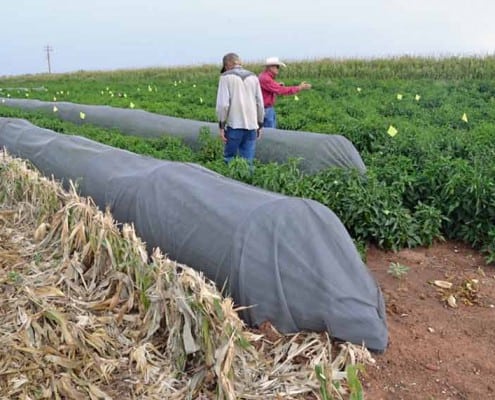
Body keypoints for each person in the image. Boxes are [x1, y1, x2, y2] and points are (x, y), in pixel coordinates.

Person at [216, 53, 264, 165]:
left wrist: (222, 126)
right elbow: (260, 104)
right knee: (248, 162)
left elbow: (223, 105)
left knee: (229, 159)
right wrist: (260, 124)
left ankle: (228, 181)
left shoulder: (225, 77)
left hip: (235, 125)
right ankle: (246, 181)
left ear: (227, 65)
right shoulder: (253, 77)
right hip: (252, 126)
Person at [258, 56, 312, 128]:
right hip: (266, 109)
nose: (278, 69)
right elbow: (280, 90)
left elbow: (270, 88)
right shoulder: (265, 78)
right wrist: (299, 88)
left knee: (269, 131)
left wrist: (277, 85)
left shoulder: (265, 76)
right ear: (271, 67)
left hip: (267, 108)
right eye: (277, 67)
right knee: (270, 133)